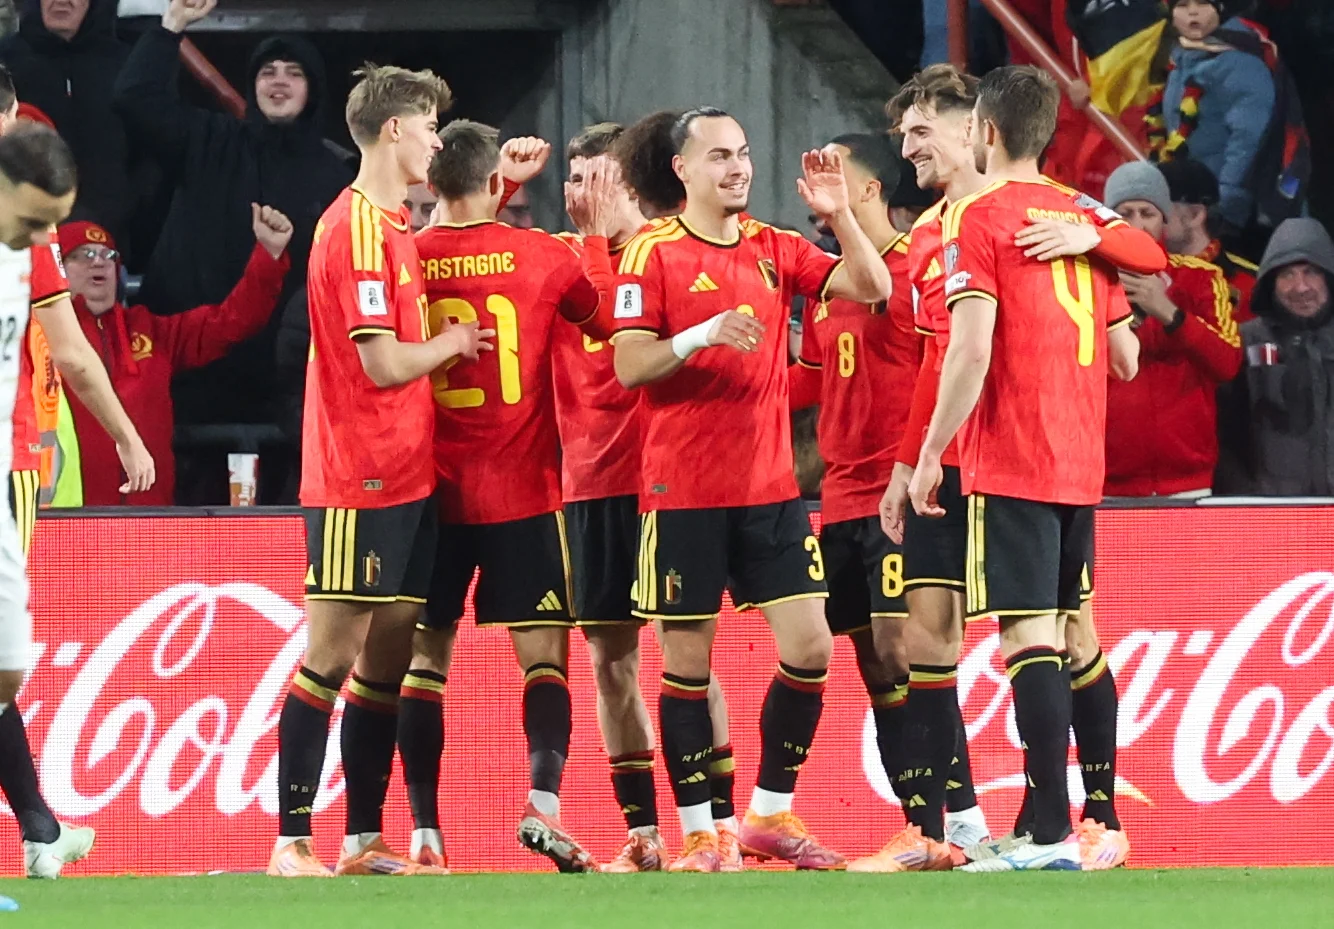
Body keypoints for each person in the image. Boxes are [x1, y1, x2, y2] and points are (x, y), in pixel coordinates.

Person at [878, 63, 1161, 874]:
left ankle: (1047, 831)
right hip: (1081, 454)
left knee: (1028, 636)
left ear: (983, 132)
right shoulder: (1075, 213)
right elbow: (1129, 355)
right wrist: (1092, 253)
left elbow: (963, 349)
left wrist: (928, 455)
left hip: (1012, 450)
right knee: (1073, 633)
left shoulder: (974, 218)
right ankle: (1079, 821)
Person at [610, 107, 893, 872]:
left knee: (811, 649)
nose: (737, 168)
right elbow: (631, 364)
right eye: (719, 157)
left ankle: (768, 813)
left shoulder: (778, 246)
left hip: (769, 492)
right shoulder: (651, 252)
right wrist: (703, 334)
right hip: (683, 494)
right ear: (682, 170)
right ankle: (705, 831)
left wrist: (841, 219)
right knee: (687, 669)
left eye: (742, 154)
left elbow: (873, 285)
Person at [269, 63, 472, 879]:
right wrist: (453, 345)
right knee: (333, 651)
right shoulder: (353, 227)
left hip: (409, 472)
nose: (435, 140)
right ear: (395, 130)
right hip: (359, 476)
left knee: (388, 654)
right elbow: (384, 363)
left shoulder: (392, 224)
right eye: (428, 126)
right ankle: (290, 840)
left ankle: (362, 837)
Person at [402, 120, 608, 873]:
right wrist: (589, 237)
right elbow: (601, 318)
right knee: (543, 660)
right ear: (498, 185)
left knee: (424, 662)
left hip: (430, 494)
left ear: (429, 185)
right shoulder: (545, 255)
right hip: (524, 490)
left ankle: (425, 833)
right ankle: (543, 803)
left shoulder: (409, 257)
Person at [786, 131, 989, 865]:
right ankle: (922, 821)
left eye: (836, 177)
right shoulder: (833, 282)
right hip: (838, 496)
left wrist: (917, 464)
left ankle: (957, 818)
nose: (817, 194)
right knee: (874, 666)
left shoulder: (919, 267)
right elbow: (808, 381)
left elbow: (941, 369)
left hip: (894, 493)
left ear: (870, 189)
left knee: (908, 655)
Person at [553, 122, 741, 872]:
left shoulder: (671, 252)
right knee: (608, 661)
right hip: (588, 482)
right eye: (571, 182)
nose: (580, 196)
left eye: (593, 179)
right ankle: (643, 833)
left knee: (686, 655)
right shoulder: (561, 260)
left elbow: (616, 334)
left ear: (628, 185)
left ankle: (719, 827)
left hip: (664, 482)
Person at [114, 0, 353, 503]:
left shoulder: (339, 171)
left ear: (314, 89)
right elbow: (135, 98)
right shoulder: (210, 138)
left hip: (284, 378)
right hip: (193, 368)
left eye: (293, 72)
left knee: (282, 518)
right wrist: (171, 27)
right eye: (268, 71)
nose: (279, 81)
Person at [0, 123, 154, 880]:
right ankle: (40, 824)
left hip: (11, 462)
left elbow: (67, 353)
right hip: (16, 465)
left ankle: (39, 823)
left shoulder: (23, 245)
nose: (42, 235)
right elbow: (67, 349)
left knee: (4, 669)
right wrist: (126, 435)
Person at [57, 208, 291, 506]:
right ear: (58, 269)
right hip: (70, 516)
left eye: (109, 255)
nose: (100, 261)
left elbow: (232, 322)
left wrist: (268, 256)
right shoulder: (43, 338)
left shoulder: (151, 331)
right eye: (84, 254)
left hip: (151, 515)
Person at [1101, 160, 1241, 498]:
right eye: (1125, 212)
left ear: (1164, 219)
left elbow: (1228, 364)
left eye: (1147, 213)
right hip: (1108, 480)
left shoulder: (1201, 278)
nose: (1136, 224)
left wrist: (1169, 313)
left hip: (1187, 480)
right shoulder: (1087, 281)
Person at [0, 2, 140, 251]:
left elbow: (151, 149)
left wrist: (129, 206)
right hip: (24, 240)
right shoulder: (5, 61)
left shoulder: (128, 63)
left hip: (112, 238)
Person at [1221, 218, 1334, 494]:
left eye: (1311, 272)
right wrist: (1243, 500)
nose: (1301, 287)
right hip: (1268, 514)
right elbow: (1223, 436)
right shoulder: (1242, 342)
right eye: (1287, 275)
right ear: (1270, 283)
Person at [1146, 0, 1276, 232]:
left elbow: (1248, 139)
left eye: (1203, 3)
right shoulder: (1182, 56)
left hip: (1228, 210)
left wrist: (1226, 202)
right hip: (1193, 202)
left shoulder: (1240, 62)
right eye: (1183, 5)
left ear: (1221, 9)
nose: (1193, 12)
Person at [1158, 157, 1258, 320]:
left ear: (1195, 216)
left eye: (1158, 207)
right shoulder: (1136, 273)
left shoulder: (1251, 288)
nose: (1145, 219)